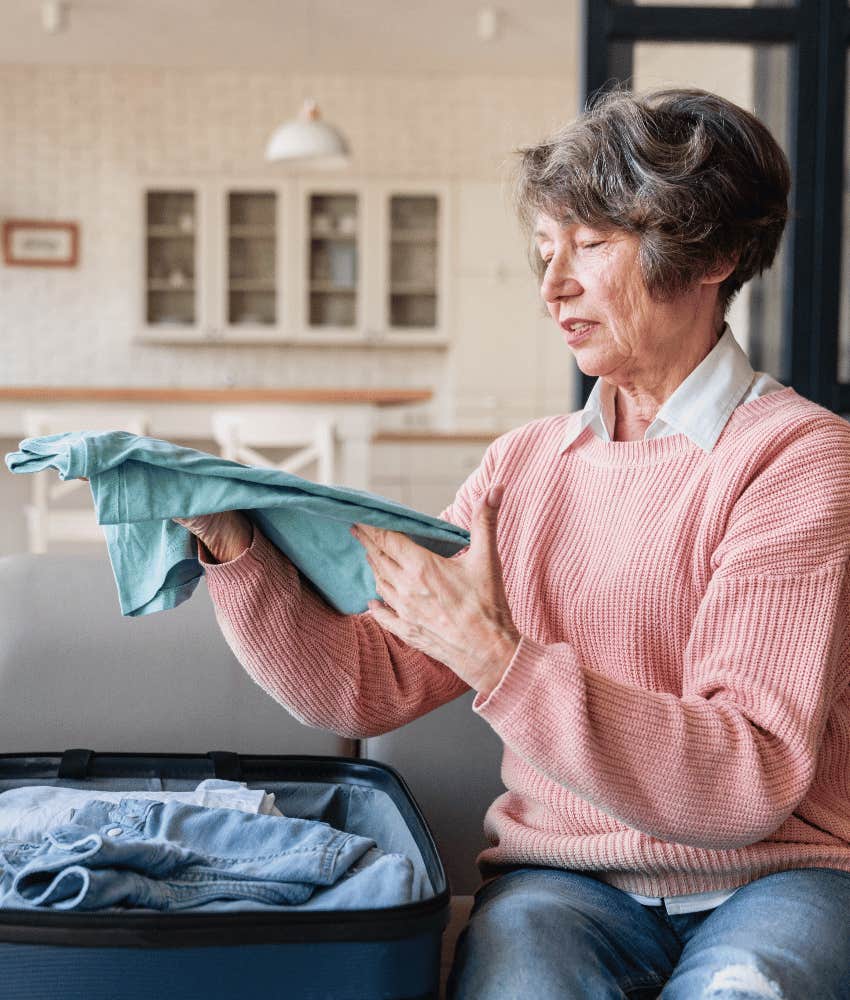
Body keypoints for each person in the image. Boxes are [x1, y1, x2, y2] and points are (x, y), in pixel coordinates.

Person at [177, 88, 850, 999]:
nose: (553, 285)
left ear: (715, 255)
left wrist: (500, 661)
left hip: (778, 878)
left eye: (593, 244)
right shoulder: (521, 467)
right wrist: (232, 548)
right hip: (563, 884)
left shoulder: (800, 457)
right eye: (544, 250)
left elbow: (747, 776)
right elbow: (364, 683)